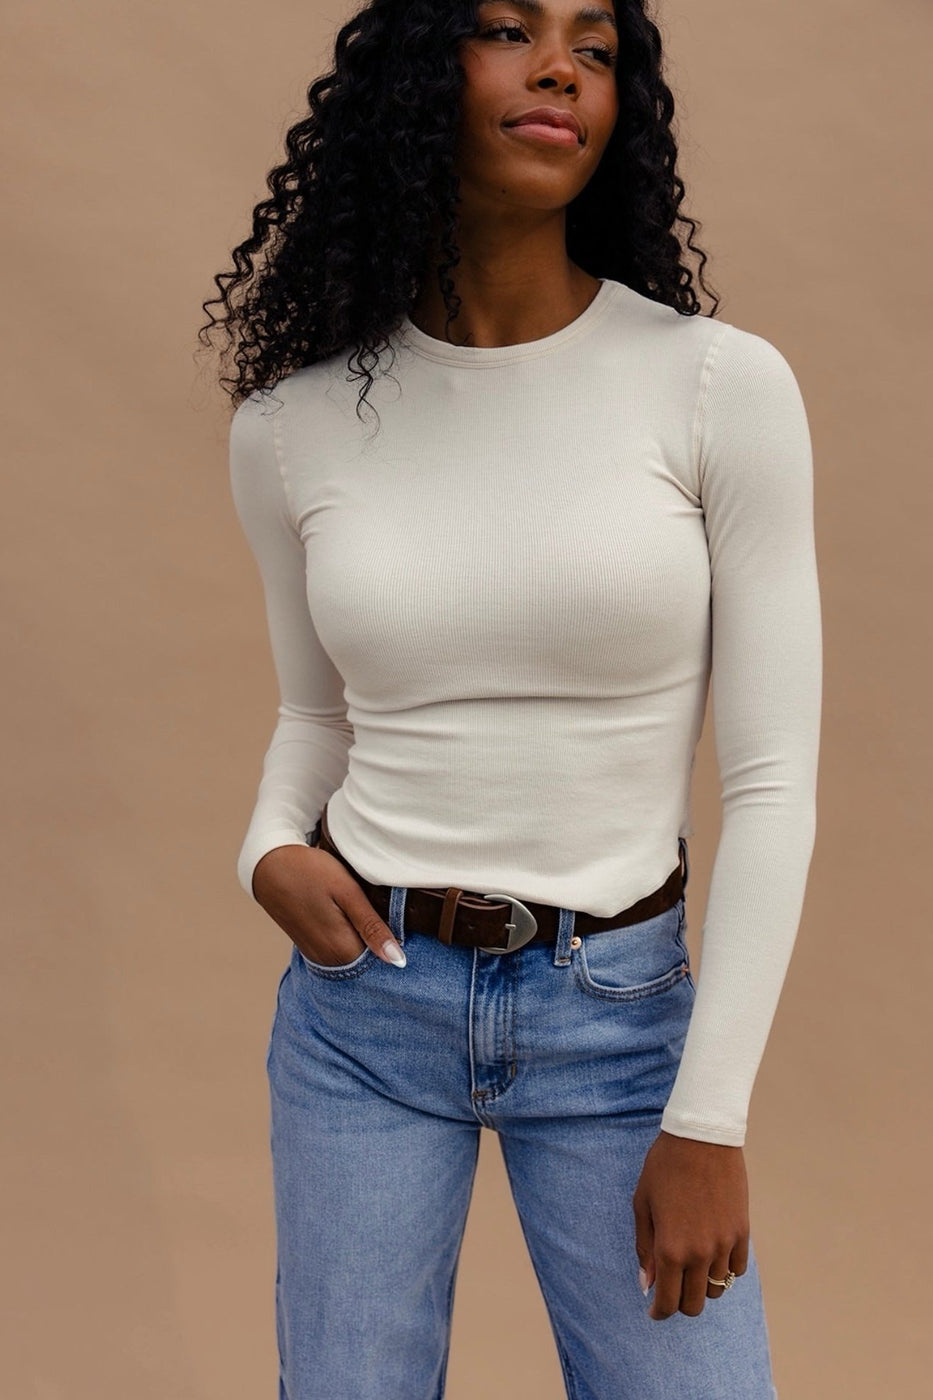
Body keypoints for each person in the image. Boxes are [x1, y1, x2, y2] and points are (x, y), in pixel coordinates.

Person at [202, 1, 821, 1395]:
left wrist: (707, 1118)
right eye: (508, 30)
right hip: (365, 1010)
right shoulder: (290, 423)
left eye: (593, 49)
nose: (558, 68)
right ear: (418, 81)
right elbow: (318, 715)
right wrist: (263, 849)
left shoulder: (715, 387)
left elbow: (771, 780)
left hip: (619, 1018)